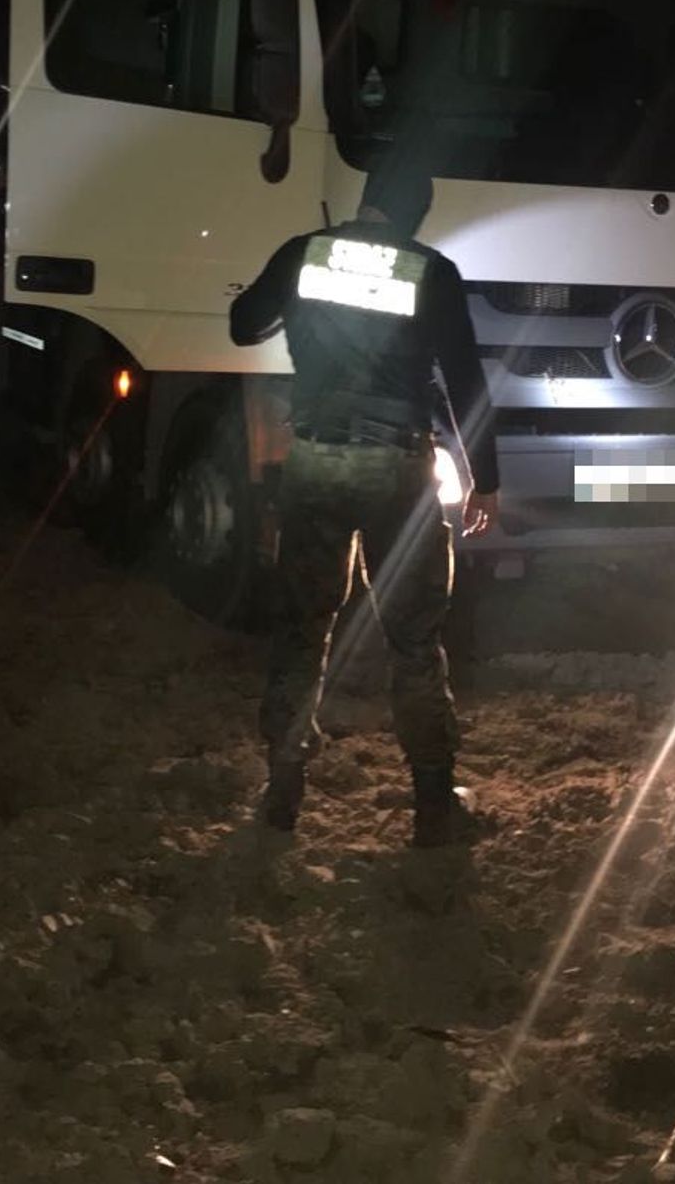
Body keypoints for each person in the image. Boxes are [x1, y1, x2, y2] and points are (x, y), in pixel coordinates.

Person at [229, 162, 499, 847]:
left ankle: (282, 793)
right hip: (397, 468)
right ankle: (434, 807)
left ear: (367, 200)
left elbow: (243, 324)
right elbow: (464, 379)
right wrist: (485, 478)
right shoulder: (431, 271)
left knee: (302, 626)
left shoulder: (303, 253)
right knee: (414, 639)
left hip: (315, 461)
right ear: (415, 215)